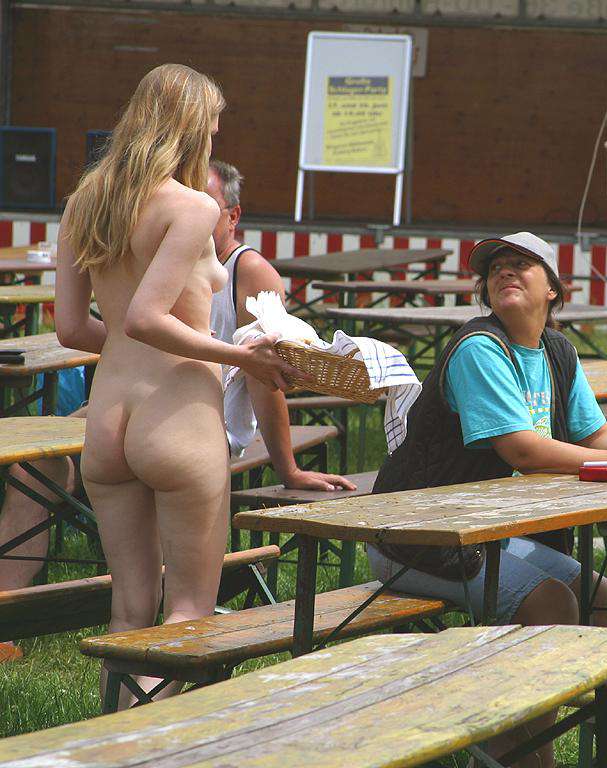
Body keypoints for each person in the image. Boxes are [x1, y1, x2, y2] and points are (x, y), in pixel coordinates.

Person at [370, 231, 607, 768]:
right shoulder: (479, 348)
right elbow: (522, 450)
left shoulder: (557, 352)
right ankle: (523, 756)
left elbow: (594, 437)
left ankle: (517, 747)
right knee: (553, 603)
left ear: (553, 289)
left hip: (485, 533)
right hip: (416, 536)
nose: (505, 272)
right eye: (496, 267)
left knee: (603, 600)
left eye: (522, 264)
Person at [53, 63, 300, 704]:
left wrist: (130, 350)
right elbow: (148, 317)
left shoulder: (84, 203)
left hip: (108, 417)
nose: (213, 140)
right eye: (211, 129)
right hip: (177, 414)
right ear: (189, 128)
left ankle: (110, 739)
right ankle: (151, 742)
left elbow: (73, 328)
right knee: (189, 610)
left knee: (129, 612)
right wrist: (240, 357)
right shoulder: (192, 207)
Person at [207, 159, 353, 489]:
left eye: (208, 206)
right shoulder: (178, 262)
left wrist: (289, 471)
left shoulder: (249, 271)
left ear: (233, 216)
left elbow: (264, 373)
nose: (195, 216)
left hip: (214, 433)